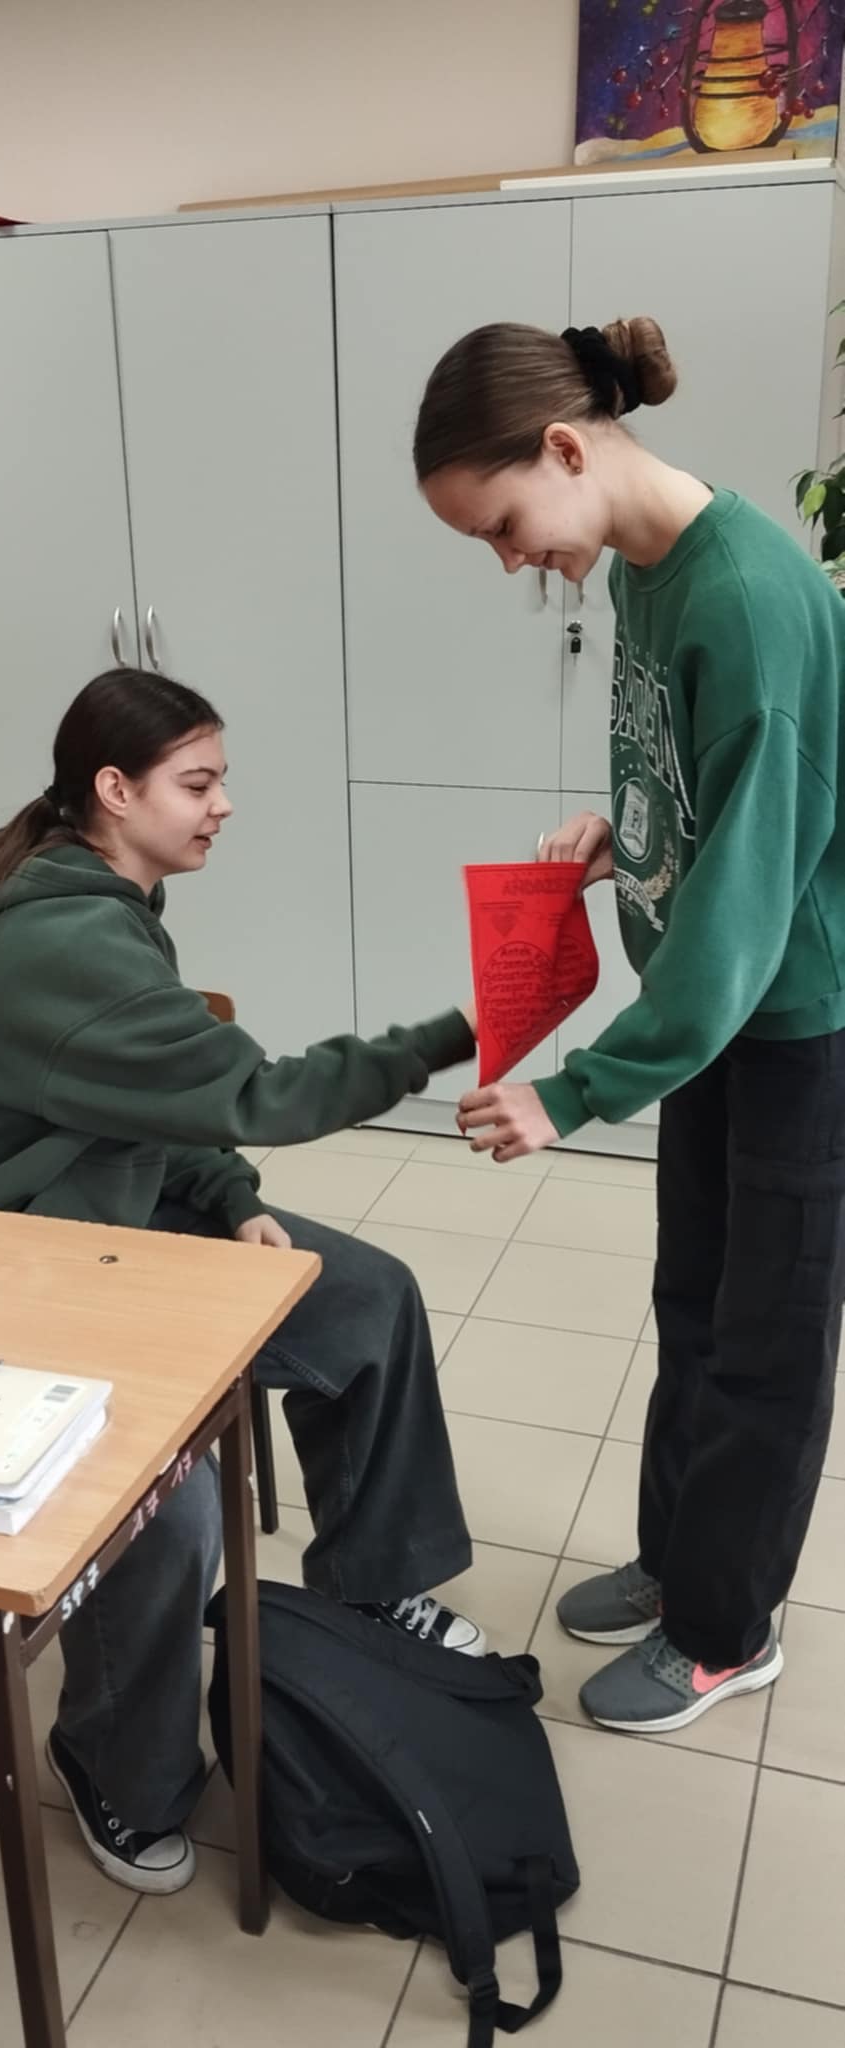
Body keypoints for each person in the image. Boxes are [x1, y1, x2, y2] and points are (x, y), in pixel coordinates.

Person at [0, 668, 482, 1893]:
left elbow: (133, 1088)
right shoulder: (62, 937)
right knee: (168, 1506)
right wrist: (465, 1024)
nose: (224, 803)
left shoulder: (101, 890)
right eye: (199, 781)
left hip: (99, 1211)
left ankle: (371, 1592)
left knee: (366, 1296)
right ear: (114, 791)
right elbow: (258, 1091)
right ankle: (116, 1767)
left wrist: (229, 1197)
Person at [414, 314, 845, 1737]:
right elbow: (701, 787)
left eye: (503, 526)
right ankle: (680, 1561)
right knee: (695, 1301)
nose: (509, 561)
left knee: (767, 1340)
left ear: (563, 449)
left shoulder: (748, 598)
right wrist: (629, 828)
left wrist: (578, 1088)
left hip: (791, 1022)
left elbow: (749, 904)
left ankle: (726, 1631)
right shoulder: (649, 572)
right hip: (716, 1016)